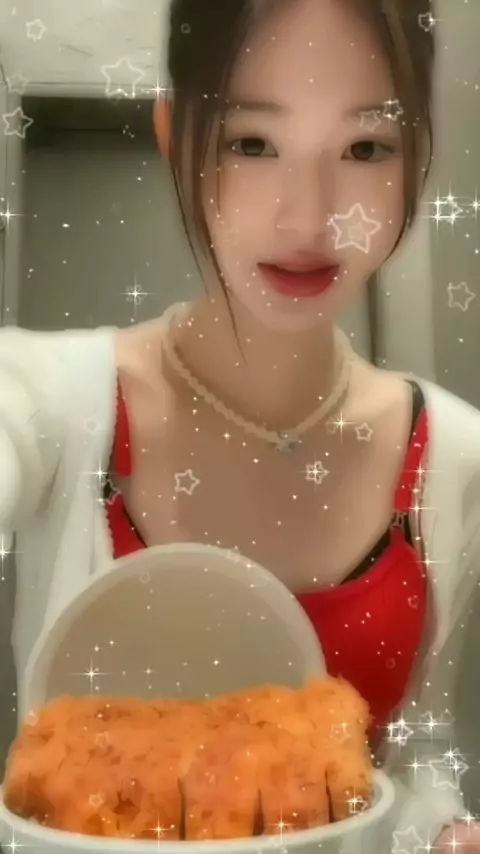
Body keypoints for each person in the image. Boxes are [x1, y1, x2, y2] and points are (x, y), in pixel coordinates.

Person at [1, 0, 480, 849]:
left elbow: (410, 760)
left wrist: (439, 830)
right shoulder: (44, 400)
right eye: (252, 142)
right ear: (174, 137)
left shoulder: (453, 455)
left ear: (418, 156)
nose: (309, 219)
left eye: (366, 147)